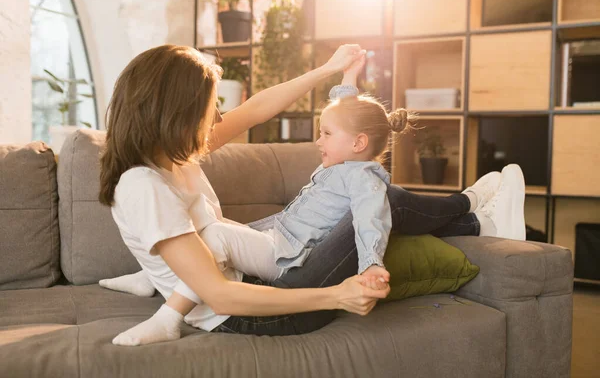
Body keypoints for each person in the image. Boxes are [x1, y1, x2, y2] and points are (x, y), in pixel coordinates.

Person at [99, 43, 526, 346]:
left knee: (356, 196)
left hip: (253, 275)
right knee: (378, 194)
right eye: (209, 109)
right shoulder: (144, 184)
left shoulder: (172, 153)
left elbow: (256, 110)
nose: (217, 118)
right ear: (177, 113)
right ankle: (475, 214)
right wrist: (337, 295)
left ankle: (473, 217)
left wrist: (330, 69)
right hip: (249, 314)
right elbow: (222, 296)